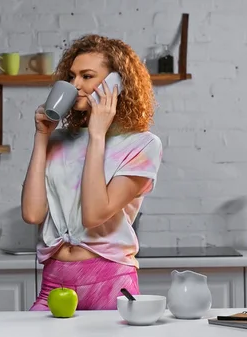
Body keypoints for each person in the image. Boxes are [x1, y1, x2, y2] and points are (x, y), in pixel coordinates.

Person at [21, 34, 163, 311]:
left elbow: (94, 214)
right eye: (72, 76)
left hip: (109, 281)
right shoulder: (59, 140)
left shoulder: (142, 144)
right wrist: (41, 138)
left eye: (87, 76)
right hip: (54, 280)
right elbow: (32, 214)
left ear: (117, 83)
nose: (75, 85)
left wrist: (97, 135)